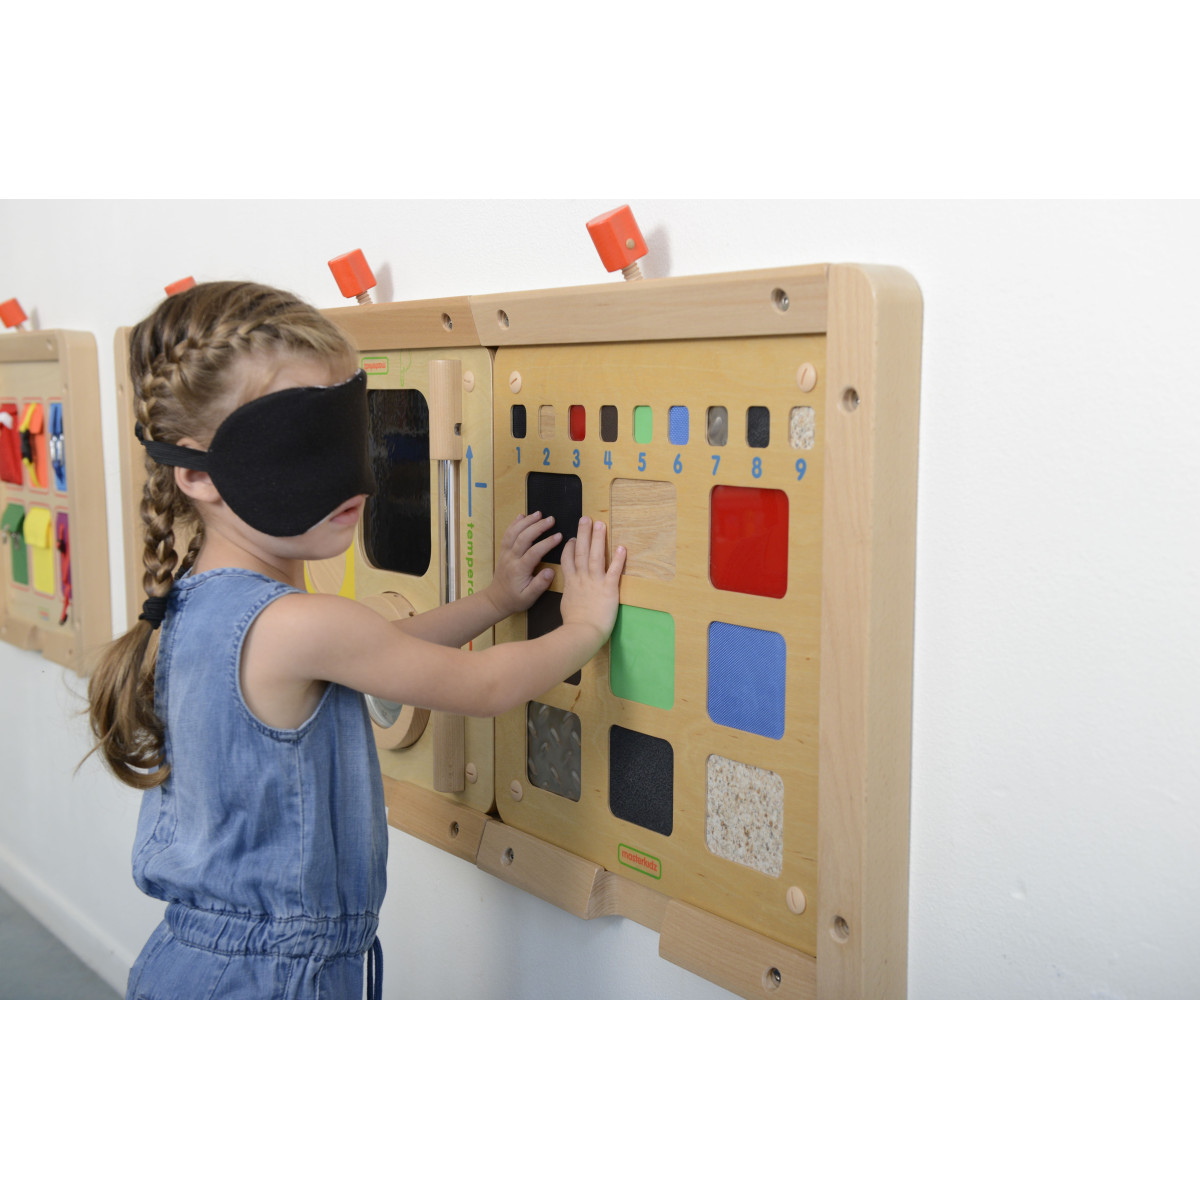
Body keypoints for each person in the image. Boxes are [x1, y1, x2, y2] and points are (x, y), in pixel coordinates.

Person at [87, 281, 626, 1000]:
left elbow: (380, 649)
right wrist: (586, 625)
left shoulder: (196, 602)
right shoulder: (298, 625)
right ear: (195, 473)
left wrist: (494, 601)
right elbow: (486, 686)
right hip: (273, 986)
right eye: (302, 442)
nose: (349, 472)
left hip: (194, 969)